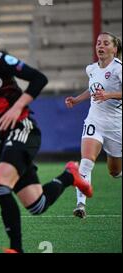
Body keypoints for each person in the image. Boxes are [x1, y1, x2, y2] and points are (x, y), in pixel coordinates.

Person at [0, 19, 93, 253]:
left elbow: (39, 79)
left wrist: (17, 108)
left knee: (0, 184)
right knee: (37, 205)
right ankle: (69, 175)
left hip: (23, 128)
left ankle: (16, 249)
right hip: (0, 139)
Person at [65, 32, 122, 218]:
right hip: (94, 121)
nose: (101, 46)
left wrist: (109, 95)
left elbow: (106, 92)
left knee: (114, 172)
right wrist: (77, 100)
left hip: (115, 126)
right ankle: (80, 205)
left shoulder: (119, 68)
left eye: (106, 43)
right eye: (98, 43)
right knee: (86, 162)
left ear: (114, 49)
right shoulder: (91, 69)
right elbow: (93, 90)